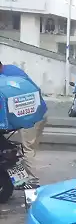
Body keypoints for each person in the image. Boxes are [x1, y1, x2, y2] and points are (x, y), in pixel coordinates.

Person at [0, 61, 48, 189]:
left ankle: (33, 181)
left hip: (30, 116)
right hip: (39, 112)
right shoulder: (12, 70)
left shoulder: (4, 77)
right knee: (29, 148)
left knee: (28, 149)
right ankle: (21, 179)